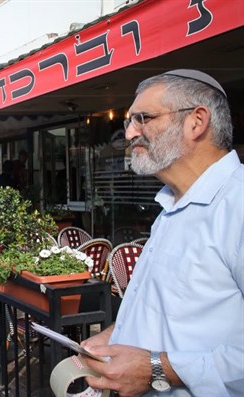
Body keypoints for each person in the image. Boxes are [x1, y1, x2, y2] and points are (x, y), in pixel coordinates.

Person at [80, 70, 243, 396]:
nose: (129, 134)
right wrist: (116, 334)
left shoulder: (237, 204)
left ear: (196, 122)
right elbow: (172, 315)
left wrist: (158, 369)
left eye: (143, 118)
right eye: (129, 122)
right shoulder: (171, 206)